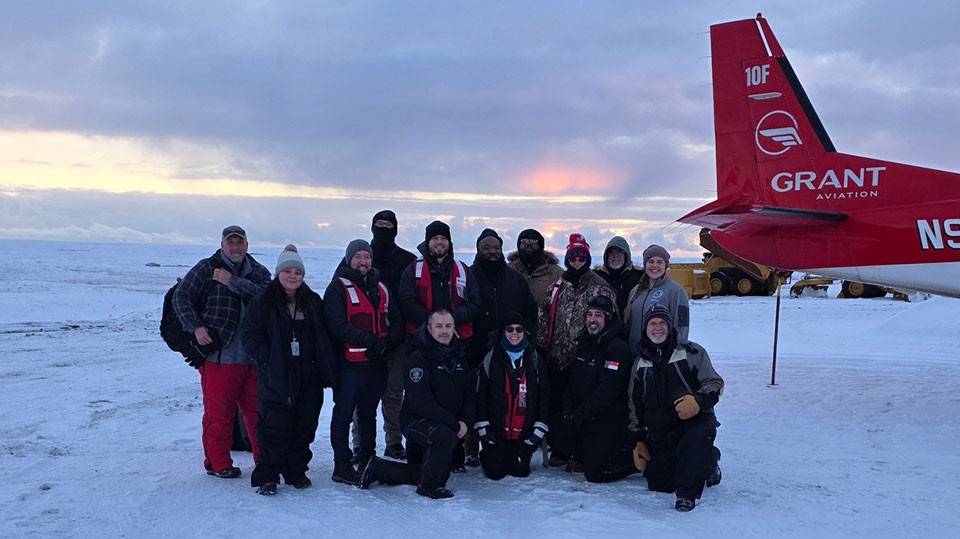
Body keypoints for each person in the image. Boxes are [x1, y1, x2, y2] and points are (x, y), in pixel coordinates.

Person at [172, 225, 271, 478]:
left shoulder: (258, 271)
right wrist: (196, 327)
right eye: (231, 243)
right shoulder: (206, 268)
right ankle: (218, 463)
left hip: (254, 358)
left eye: (240, 243)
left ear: (247, 245)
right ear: (222, 245)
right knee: (219, 414)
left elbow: (267, 298)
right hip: (219, 357)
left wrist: (232, 282)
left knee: (259, 414)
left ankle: (266, 461)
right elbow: (181, 297)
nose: (236, 247)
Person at [241, 245, 337, 495]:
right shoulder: (263, 301)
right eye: (288, 271)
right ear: (278, 273)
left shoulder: (312, 300)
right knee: (273, 425)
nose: (293, 276)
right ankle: (267, 475)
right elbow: (250, 335)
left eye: (297, 272)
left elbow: (325, 335)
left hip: (309, 373)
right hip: (276, 374)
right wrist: (266, 359)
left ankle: (296, 470)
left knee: (305, 424)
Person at [360, 310, 475, 499]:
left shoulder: (460, 356)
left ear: (455, 329)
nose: (444, 331)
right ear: (429, 329)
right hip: (418, 421)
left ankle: (380, 469)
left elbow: (470, 394)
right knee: (443, 444)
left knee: (444, 465)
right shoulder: (417, 357)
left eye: (448, 326)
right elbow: (421, 402)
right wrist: (454, 424)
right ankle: (429, 486)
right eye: (438, 326)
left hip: (448, 423)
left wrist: (464, 420)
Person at [628, 304, 724, 512]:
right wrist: (638, 439)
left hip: (693, 424)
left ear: (670, 326)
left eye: (662, 323)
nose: (658, 328)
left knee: (695, 441)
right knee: (660, 484)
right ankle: (707, 458)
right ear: (645, 328)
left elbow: (715, 383)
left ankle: (688, 494)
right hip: (661, 429)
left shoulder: (692, 352)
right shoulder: (639, 363)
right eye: (652, 323)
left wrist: (699, 401)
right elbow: (634, 404)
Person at [324, 239, 402, 485]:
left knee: (368, 414)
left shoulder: (381, 288)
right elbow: (336, 325)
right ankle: (342, 464)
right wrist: (370, 341)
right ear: (349, 260)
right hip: (349, 365)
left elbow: (396, 319)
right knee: (344, 414)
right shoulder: (337, 288)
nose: (363, 262)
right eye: (358, 257)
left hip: (377, 364)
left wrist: (388, 343)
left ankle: (367, 457)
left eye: (366, 257)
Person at [537, 233, 615, 466]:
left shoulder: (601, 287)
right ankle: (561, 448)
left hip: (587, 360)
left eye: (582, 257)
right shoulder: (557, 286)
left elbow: (611, 321)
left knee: (584, 406)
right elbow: (543, 317)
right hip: (558, 359)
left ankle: (583, 448)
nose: (578, 261)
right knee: (559, 406)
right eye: (574, 257)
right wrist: (542, 348)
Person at [466, 228, 538, 467]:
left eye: (496, 247)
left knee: (504, 395)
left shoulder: (514, 278)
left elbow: (529, 309)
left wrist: (524, 334)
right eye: (486, 247)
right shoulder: (469, 276)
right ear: (478, 249)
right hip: (476, 345)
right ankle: (471, 446)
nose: (492, 252)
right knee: (476, 395)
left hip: (510, 347)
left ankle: (503, 440)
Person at [549, 296, 637, 483]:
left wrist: (580, 414)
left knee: (595, 473)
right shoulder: (585, 341)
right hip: (583, 414)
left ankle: (633, 461)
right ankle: (581, 452)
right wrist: (567, 407)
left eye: (598, 315)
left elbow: (608, 391)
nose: (592, 319)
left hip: (606, 418)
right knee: (555, 430)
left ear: (608, 319)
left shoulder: (616, 348)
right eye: (589, 314)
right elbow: (573, 379)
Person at [474, 312, 550, 480]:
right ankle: (490, 454)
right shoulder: (491, 358)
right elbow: (481, 396)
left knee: (519, 471)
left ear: (524, 332)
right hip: (497, 431)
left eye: (519, 329)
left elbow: (544, 396)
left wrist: (537, 431)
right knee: (495, 472)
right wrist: (484, 428)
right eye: (510, 329)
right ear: (503, 331)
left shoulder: (535, 358)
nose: (514, 333)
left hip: (524, 433)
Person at [368, 210, 417, 460]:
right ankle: (361, 444)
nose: (384, 229)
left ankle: (394, 440)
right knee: (363, 396)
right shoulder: (360, 257)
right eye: (379, 225)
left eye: (388, 225)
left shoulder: (408, 260)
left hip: (399, 339)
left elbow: (412, 299)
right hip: (363, 341)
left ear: (396, 229)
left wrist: (399, 335)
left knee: (394, 392)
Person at [398, 220, 481, 342]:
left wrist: (451, 319)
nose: (439, 242)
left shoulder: (463, 270)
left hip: (459, 339)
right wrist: (432, 320)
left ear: (449, 242)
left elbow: (475, 303)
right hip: (421, 339)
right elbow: (405, 301)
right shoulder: (414, 269)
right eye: (435, 238)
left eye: (443, 238)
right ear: (428, 242)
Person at [626, 244, 690, 344]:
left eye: (659, 262)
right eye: (651, 261)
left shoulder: (676, 291)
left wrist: (677, 352)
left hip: (662, 355)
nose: (655, 265)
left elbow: (682, 327)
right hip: (635, 355)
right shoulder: (635, 291)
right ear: (645, 265)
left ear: (665, 265)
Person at [507, 228, 563, 307]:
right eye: (524, 243)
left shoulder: (556, 273)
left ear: (541, 246)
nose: (529, 247)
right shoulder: (507, 270)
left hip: (543, 318)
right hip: (514, 318)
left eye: (534, 244)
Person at [595, 236, 643, 315]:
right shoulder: (598, 276)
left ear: (626, 255)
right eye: (611, 253)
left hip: (631, 324)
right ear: (606, 256)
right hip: (605, 324)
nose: (615, 256)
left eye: (619, 252)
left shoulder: (639, 277)